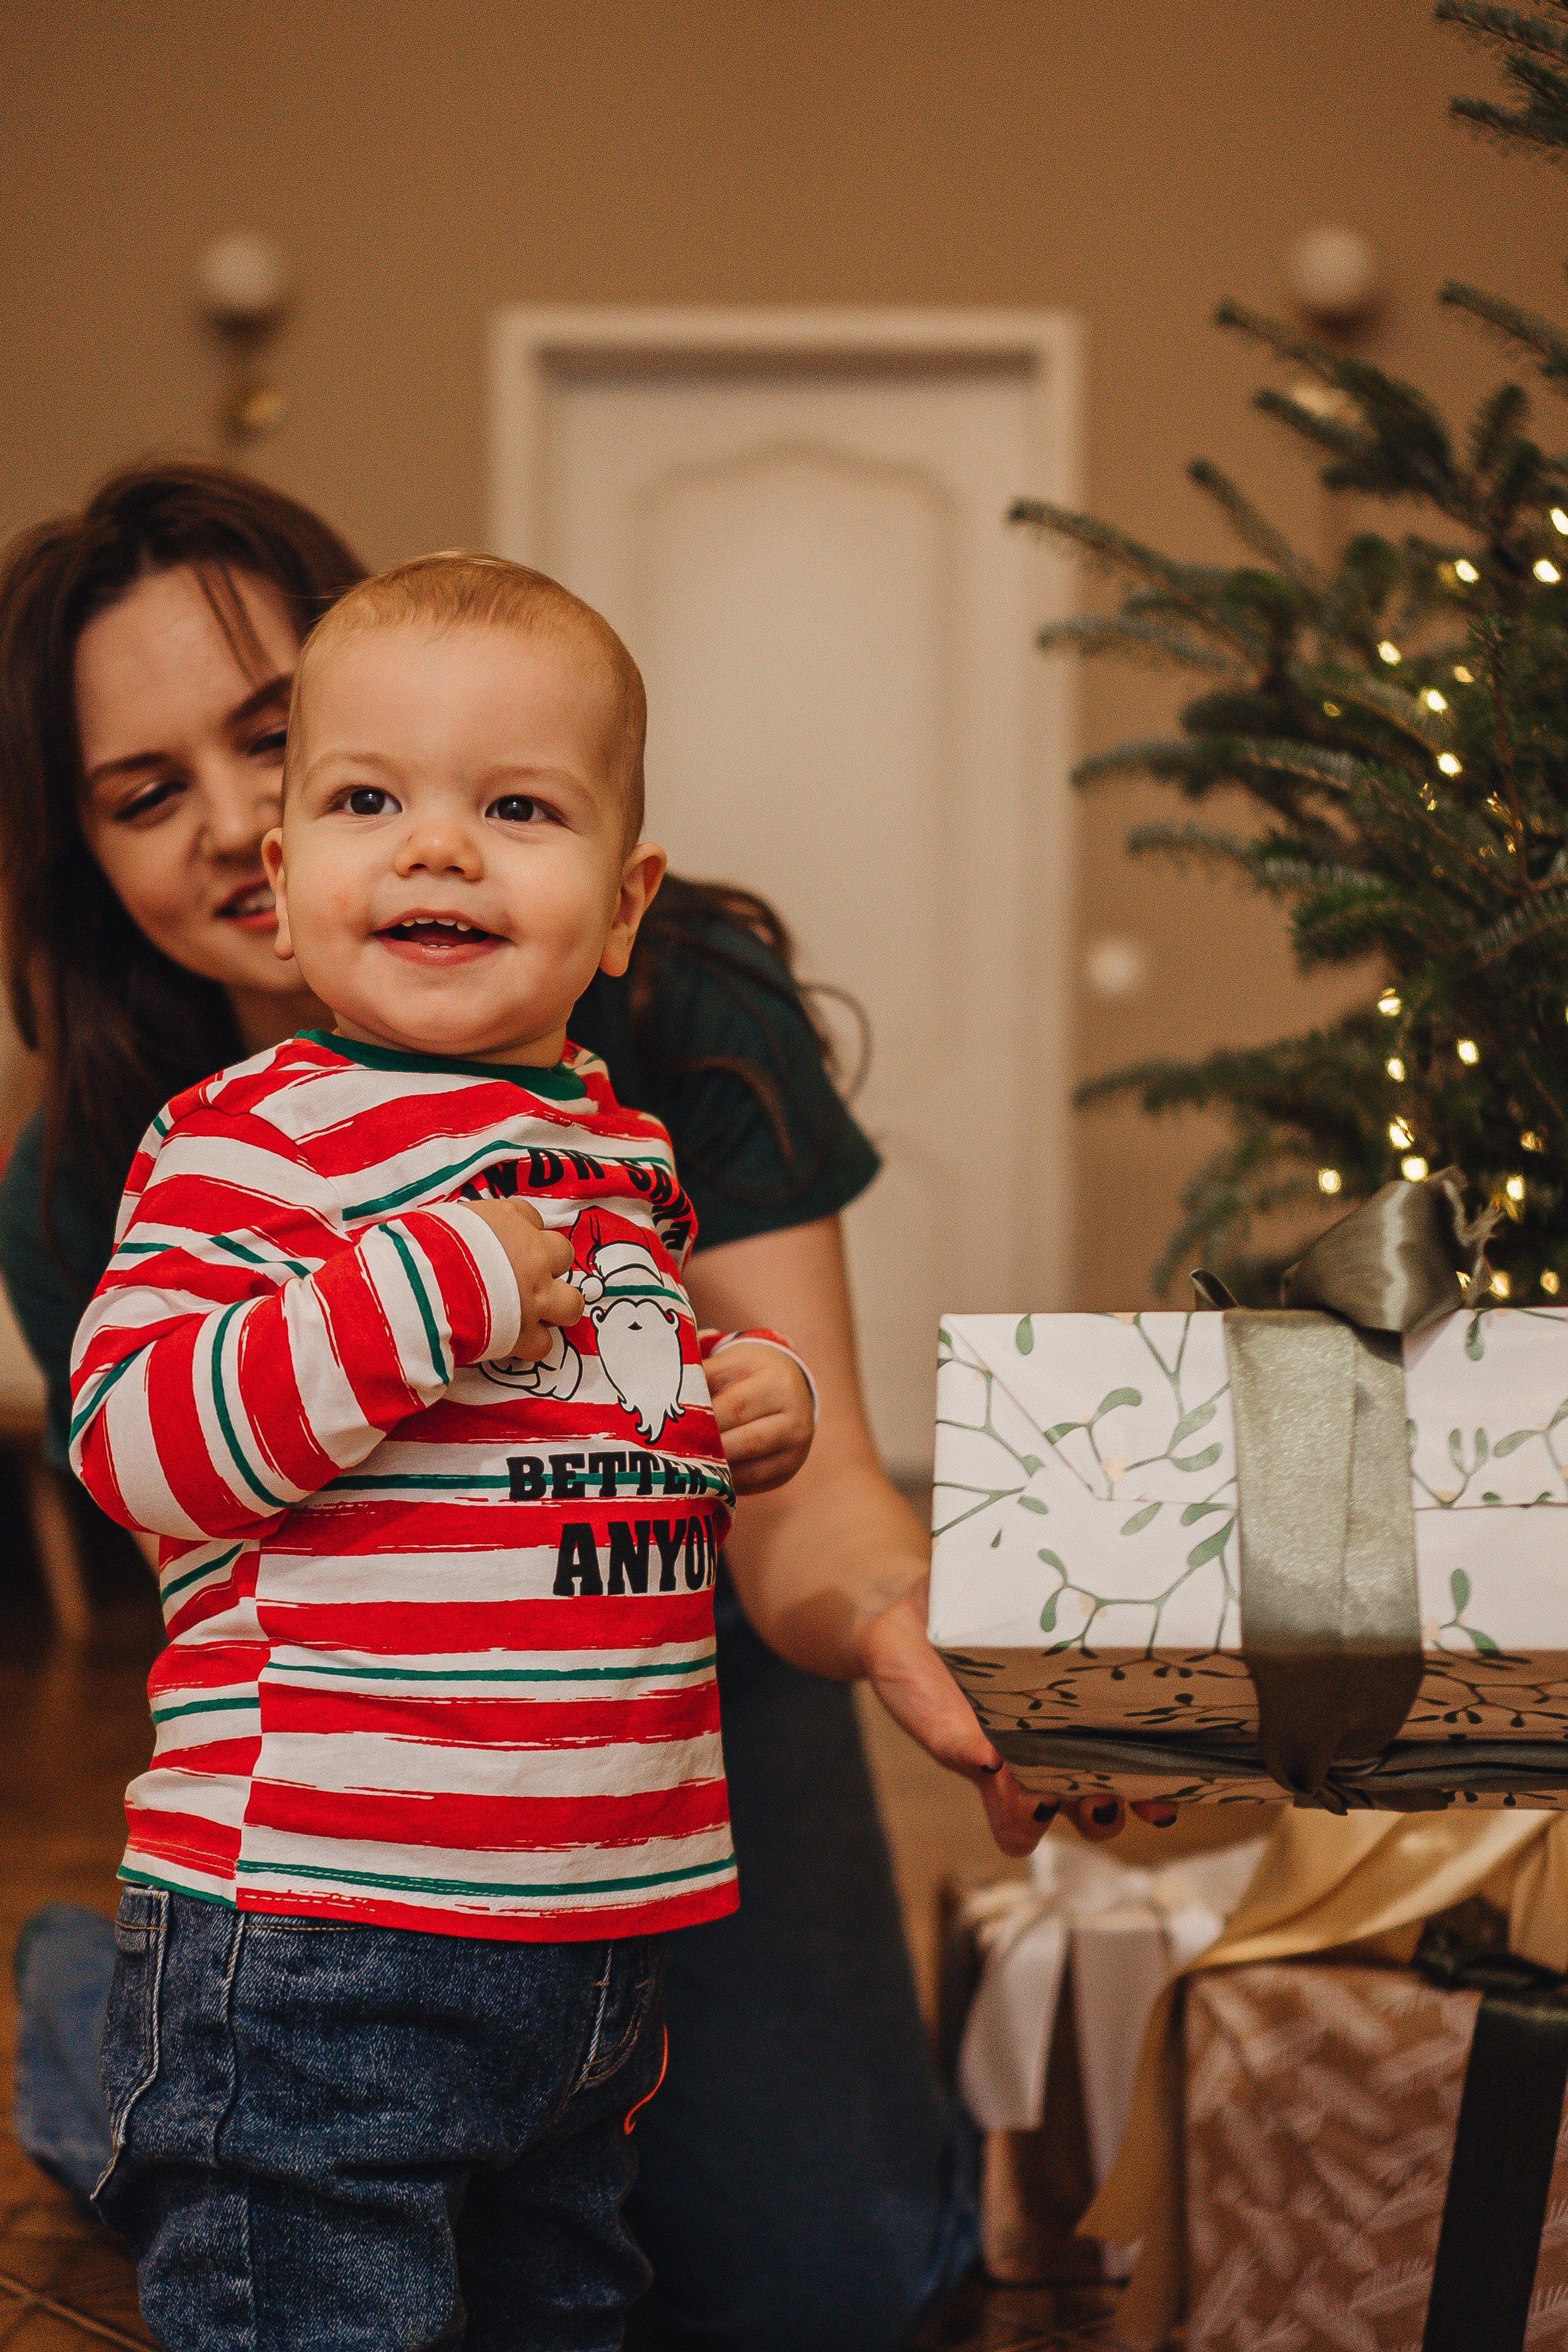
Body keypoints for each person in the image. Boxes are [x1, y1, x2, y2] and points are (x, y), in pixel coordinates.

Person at [0, 465, 1142, 2348]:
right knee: (312, 2235)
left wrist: (771, 1443)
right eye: (151, 794)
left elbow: (699, 1424)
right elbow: (162, 1474)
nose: (228, 826)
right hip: (339, 1870)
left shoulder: (626, 1104)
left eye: (274, 738)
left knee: (790, 2288)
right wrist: (433, 1279)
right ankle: (110, 2009)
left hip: (621, 1797)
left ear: (618, 900)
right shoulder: (188, 1148)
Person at [69, 550, 826, 2348]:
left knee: (557, 2302)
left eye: (515, 806)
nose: (434, 846)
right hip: (319, 1926)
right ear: (286, 875)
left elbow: (584, 1437)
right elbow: (138, 1444)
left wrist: (735, 1401)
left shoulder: (620, 1155)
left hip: (590, 1932)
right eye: (365, 801)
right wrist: (416, 1296)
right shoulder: (250, 1143)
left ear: (625, 902)